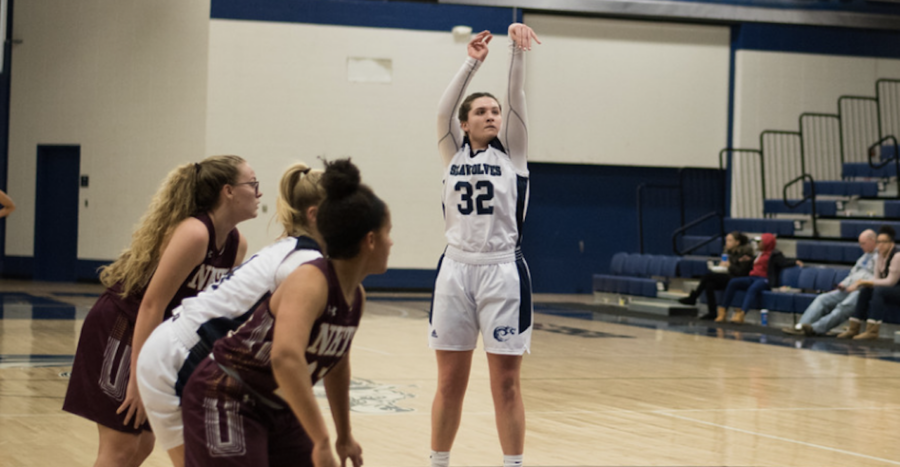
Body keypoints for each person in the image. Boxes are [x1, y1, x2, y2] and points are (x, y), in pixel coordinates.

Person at [179, 158, 391, 467]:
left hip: (276, 405)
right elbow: (285, 356)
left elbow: (337, 362)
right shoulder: (310, 279)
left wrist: (344, 434)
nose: (391, 241)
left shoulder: (355, 295)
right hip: (227, 393)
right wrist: (321, 439)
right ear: (370, 241)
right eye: (388, 232)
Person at [63, 155, 259, 467]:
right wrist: (139, 379)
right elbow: (152, 304)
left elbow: (208, 316)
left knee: (144, 444)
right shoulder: (195, 233)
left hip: (157, 337)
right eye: (253, 183)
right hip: (120, 328)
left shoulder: (237, 245)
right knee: (122, 446)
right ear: (228, 191)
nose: (259, 192)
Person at [136, 163, 325, 467]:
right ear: (317, 214)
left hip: (183, 351)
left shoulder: (290, 249)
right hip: (179, 359)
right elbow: (286, 355)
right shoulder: (303, 264)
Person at [429, 23, 540, 467]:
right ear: (465, 123)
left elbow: (518, 102)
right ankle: (438, 461)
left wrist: (517, 52)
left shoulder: (512, 153)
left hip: (503, 272)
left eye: (495, 111)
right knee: (449, 383)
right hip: (454, 271)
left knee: (506, 384)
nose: (492, 115)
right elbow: (440, 114)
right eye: (481, 112)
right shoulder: (451, 151)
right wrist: (472, 61)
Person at [782, 230, 876, 336]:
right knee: (822, 299)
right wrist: (843, 284)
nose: (861, 246)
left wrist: (859, 284)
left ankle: (814, 329)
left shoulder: (881, 258)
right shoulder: (863, 258)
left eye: (863, 243)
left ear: (872, 241)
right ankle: (800, 327)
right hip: (848, 288)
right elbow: (852, 274)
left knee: (844, 306)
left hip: (863, 290)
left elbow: (878, 279)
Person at [717, 233, 802, 324]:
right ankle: (723, 311)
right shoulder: (759, 254)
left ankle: (742, 313)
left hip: (764, 279)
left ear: (767, 243)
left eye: (760, 242)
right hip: (753, 277)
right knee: (733, 282)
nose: (758, 244)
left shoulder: (775, 254)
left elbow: (783, 262)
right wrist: (748, 260)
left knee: (753, 288)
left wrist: (795, 262)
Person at [838, 225, 900, 339]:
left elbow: (891, 281)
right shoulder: (879, 256)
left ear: (891, 242)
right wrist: (865, 283)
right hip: (890, 289)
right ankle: (854, 328)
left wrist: (862, 281)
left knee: (879, 291)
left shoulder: (897, 256)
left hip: (896, 288)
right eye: (878, 242)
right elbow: (876, 279)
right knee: (866, 290)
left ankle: (872, 331)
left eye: (884, 242)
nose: (880, 245)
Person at [678, 231, 753, 320]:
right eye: (726, 240)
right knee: (709, 284)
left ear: (737, 242)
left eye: (730, 240)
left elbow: (741, 272)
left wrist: (730, 266)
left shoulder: (745, 254)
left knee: (708, 276)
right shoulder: (728, 253)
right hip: (727, 276)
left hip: (738, 279)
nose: (727, 243)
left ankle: (694, 297)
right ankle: (712, 312)